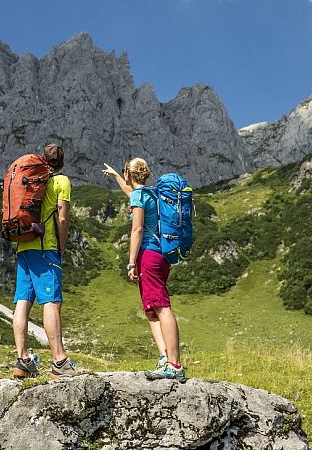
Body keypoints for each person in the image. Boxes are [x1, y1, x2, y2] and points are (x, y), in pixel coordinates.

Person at [102, 158, 185, 380]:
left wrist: (131, 262)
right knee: (151, 309)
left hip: (148, 255)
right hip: (162, 256)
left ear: (129, 173)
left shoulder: (140, 196)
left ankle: (174, 365)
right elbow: (130, 192)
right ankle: (164, 357)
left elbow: (137, 230)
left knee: (161, 306)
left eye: (124, 172)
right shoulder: (151, 194)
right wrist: (117, 177)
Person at [12, 143, 88, 380]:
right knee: (51, 302)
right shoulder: (61, 182)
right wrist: (61, 247)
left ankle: (23, 361)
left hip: (24, 246)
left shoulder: (31, 178)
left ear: (42, 160)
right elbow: (62, 218)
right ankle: (59, 361)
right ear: (62, 162)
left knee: (23, 302)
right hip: (46, 248)